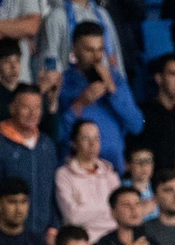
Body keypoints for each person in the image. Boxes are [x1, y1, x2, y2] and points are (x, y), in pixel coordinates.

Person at [58, 23, 143, 173]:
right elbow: (58, 135)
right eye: (89, 50)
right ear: (75, 49)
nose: (96, 57)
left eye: (100, 50)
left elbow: (137, 125)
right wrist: (80, 104)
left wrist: (112, 90)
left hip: (114, 170)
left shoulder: (115, 79)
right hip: (78, 172)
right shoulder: (63, 83)